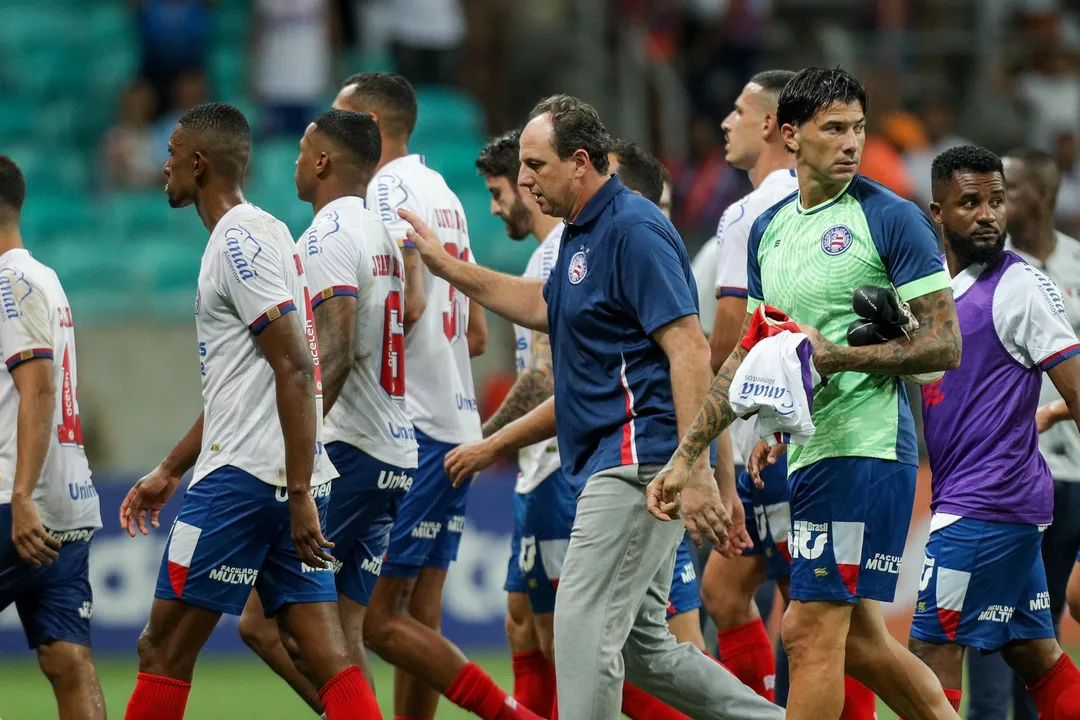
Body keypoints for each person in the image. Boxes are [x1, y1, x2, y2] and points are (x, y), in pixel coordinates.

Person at [402, 93, 784, 720]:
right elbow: (538, 303)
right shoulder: (585, 234)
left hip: (639, 459)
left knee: (579, 626)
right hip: (622, 457)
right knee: (645, 650)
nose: (523, 181)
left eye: (535, 165)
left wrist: (692, 471)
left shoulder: (633, 228)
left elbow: (689, 349)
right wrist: (448, 266)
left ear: (580, 162)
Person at [647, 67, 964, 720]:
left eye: (858, 128)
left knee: (808, 630)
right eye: (834, 129)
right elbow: (752, 351)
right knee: (865, 644)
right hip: (809, 453)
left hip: (868, 447)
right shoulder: (771, 233)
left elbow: (944, 344)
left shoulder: (890, 219)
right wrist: (693, 455)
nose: (852, 143)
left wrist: (839, 352)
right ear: (790, 135)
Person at [118, 102, 381, 720]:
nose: (165, 165)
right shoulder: (266, 234)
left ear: (200, 163)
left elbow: (295, 365)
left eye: (173, 153)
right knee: (330, 658)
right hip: (277, 476)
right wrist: (170, 468)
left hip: (245, 485)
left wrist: (297, 495)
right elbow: (250, 386)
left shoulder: (238, 239)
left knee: (160, 651)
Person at [331, 73, 532, 720]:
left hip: (410, 427)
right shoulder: (442, 192)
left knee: (371, 621)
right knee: (420, 613)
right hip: (457, 420)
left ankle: (506, 713)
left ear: (367, 123)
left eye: (339, 118)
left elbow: (409, 302)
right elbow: (475, 331)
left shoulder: (383, 189)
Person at [232, 109, 413, 713]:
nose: (293, 161)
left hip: (349, 449)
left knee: (261, 622)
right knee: (343, 633)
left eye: (301, 149)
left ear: (323, 162)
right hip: (392, 450)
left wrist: (298, 462)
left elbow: (331, 353)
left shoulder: (329, 235)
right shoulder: (381, 234)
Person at [910, 144, 1080, 718]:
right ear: (937, 212)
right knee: (1034, 654)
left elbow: (1078, 392)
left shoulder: (1020, 286)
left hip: (988, 505)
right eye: (970, 202)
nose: (987, 214)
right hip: (987, 503)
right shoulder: (935, 291)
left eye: (997, 201)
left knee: (929, 653)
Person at [966, 148, 1080, 720]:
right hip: (1007, 475)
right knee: (988, 626)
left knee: (1045, 621)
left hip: (1074, 476)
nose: (993, 203)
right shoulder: (983, 273)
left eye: (1006, 190)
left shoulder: (1079, 268)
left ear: (1042, 195)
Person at [0, 156, 106, 720]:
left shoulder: (8, 282)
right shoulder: (44, 277)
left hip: (17, 503)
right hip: (67, 500)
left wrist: (20, 498)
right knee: (67, 658)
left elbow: (39, 390)